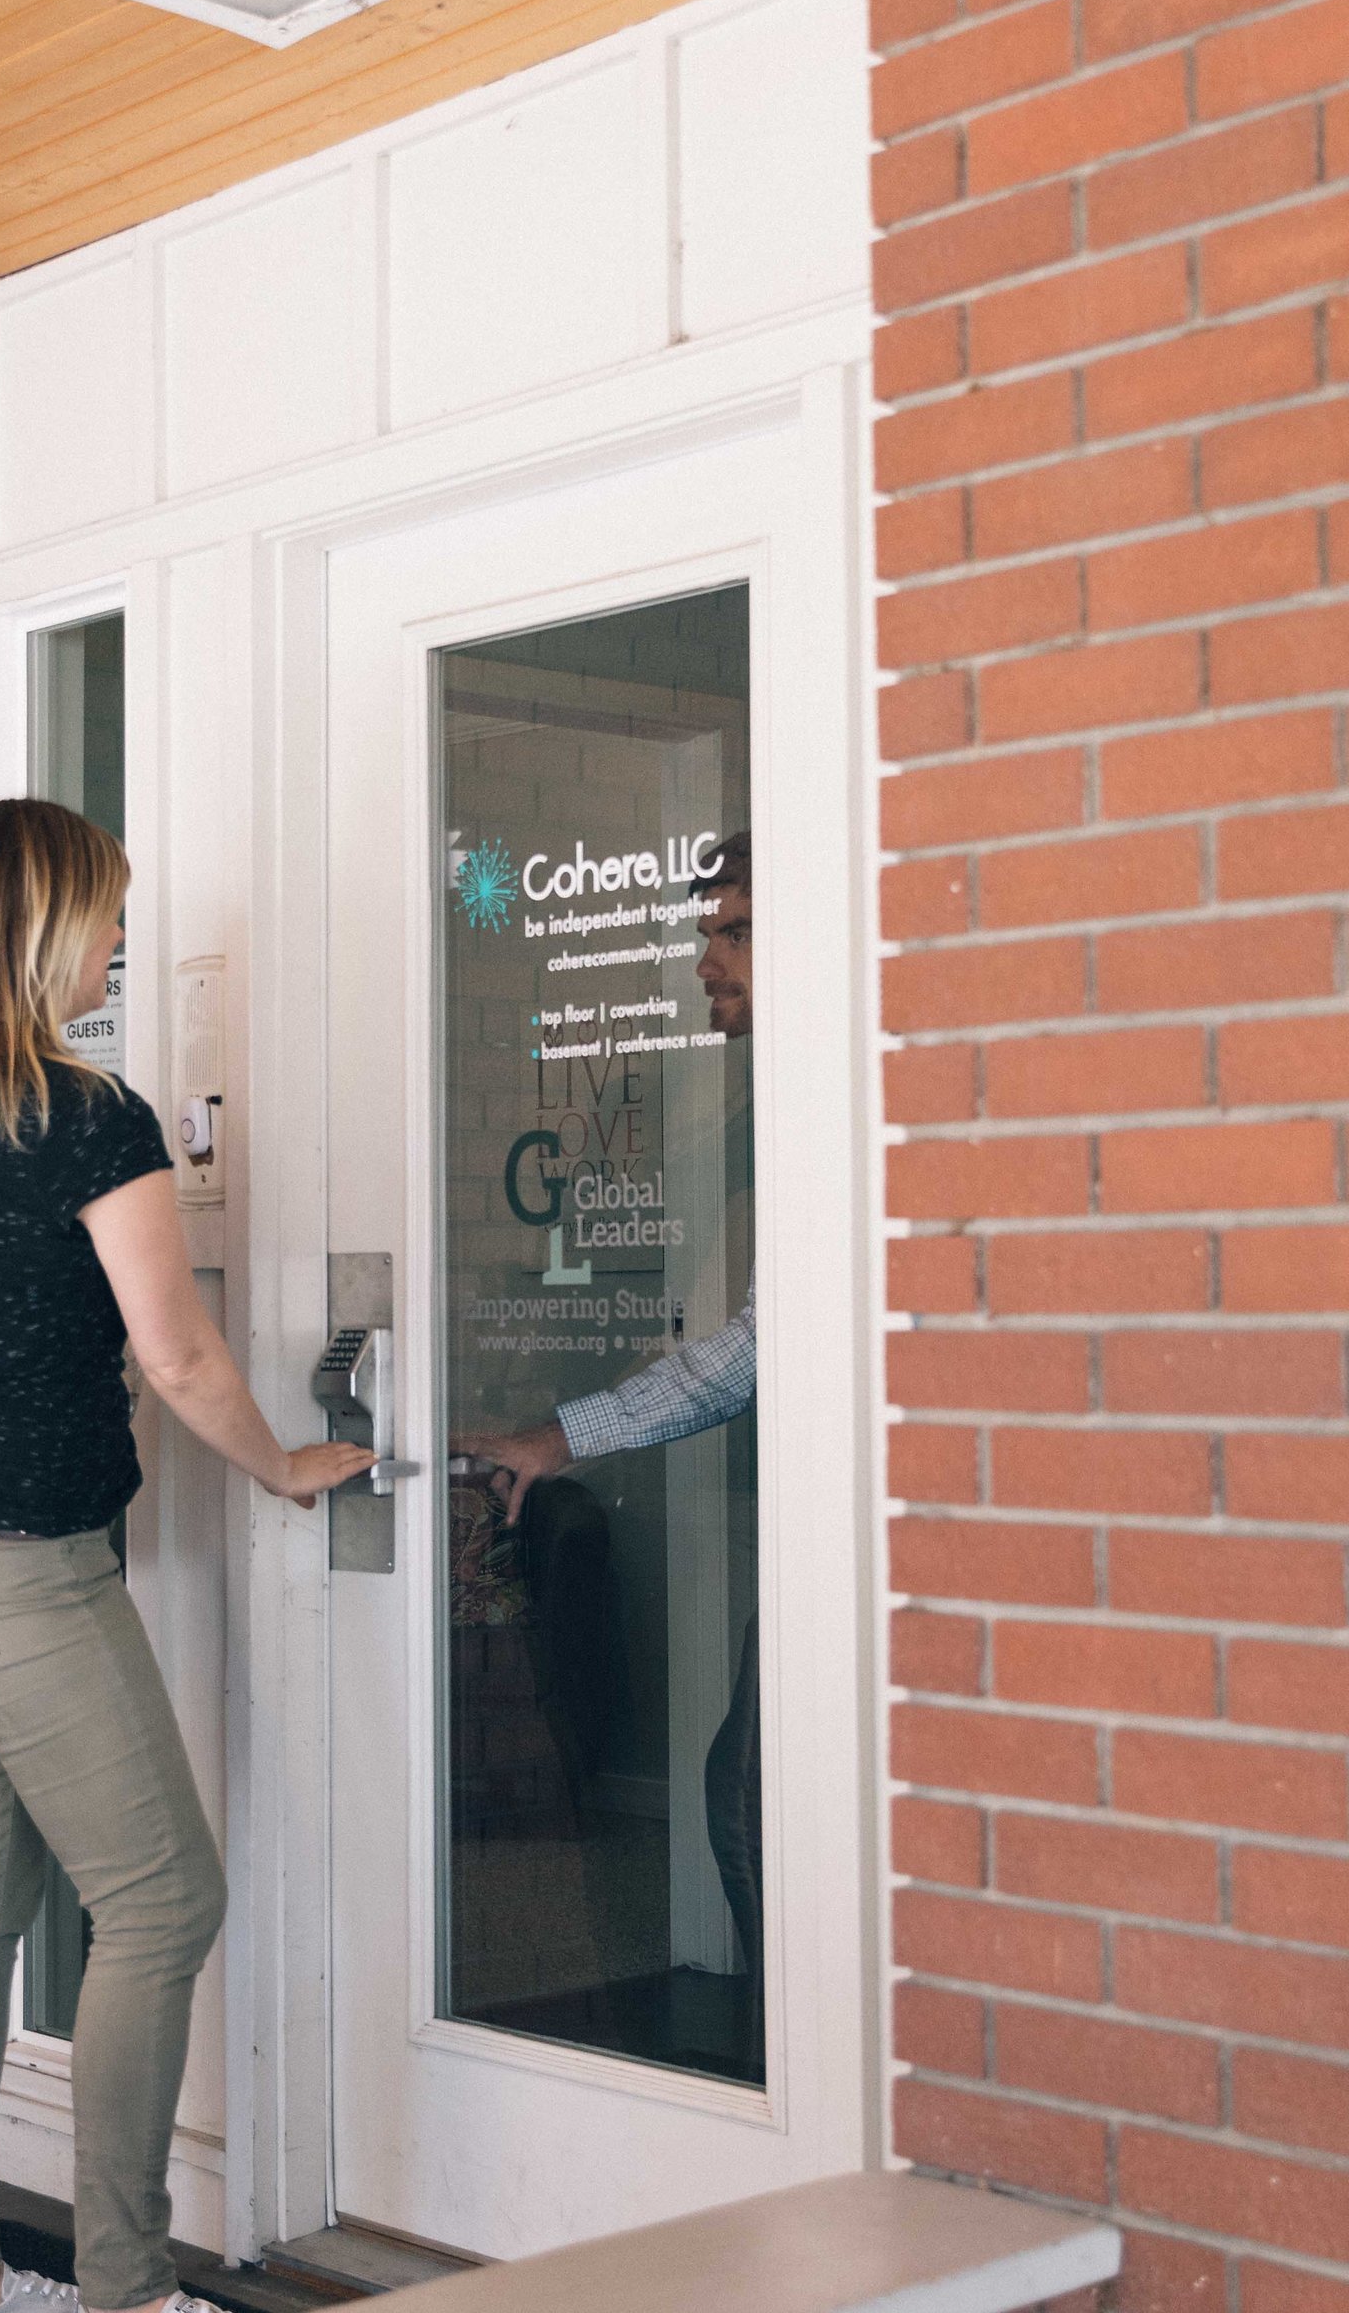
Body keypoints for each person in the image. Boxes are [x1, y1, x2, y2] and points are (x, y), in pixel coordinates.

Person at [0, 800, 373, 2313]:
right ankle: (126, 2289)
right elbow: (177, 1359)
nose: (119, 940)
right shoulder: (85, 1116)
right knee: (165, 1902)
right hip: (9, 1575)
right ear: (40, 927)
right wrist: (289, 1468)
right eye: (106, 914)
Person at [458, 833, 762, 1973]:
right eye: (703, 935)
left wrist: (564, 1434)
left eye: (733, 934)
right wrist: (562, 1435)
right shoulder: (762, 1101)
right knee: (745, 1788)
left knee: (747, 1794)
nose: (707, 964)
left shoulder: (832, 1104)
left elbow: (743, 1357)